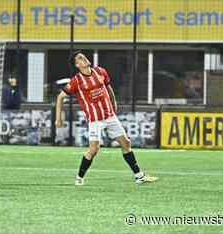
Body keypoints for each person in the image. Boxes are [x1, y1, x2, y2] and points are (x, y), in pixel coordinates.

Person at [55, 51, 158, 185]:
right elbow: (60, 97)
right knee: (94, 149)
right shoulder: (76, 81)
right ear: (77, 65)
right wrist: (59, 118)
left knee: (126, 143)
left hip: (110, 116)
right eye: (80, 58)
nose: (84, 58)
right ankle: (79, 178)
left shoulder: (101, 71)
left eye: (84, 56)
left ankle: (139, 176)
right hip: (95, 119)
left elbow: (109, 88)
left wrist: (114, 103)